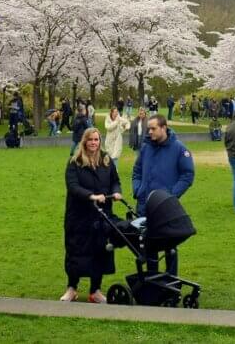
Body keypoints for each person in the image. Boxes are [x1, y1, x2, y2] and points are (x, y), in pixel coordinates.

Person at [61, 127, 122, 303]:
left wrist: (116, 192)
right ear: (84, 141)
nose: (94, 143)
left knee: (100, 251)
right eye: (90, 140)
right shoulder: (75, 162)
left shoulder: (106, 160)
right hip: (79, 216)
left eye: (96, 140)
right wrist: (91, 196)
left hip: (102, 215)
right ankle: (72, 288)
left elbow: (115, 181)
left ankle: (95, 290)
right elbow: (72, 186)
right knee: (76, 252)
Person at [132, 114, 195, 275]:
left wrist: (171, 196)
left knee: (169, 245)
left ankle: (171, 281)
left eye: (153, 128)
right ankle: (152, 280)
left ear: (163, 128)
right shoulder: (146, 147)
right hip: (144, 204)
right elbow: (137, 170)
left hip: (165, 208)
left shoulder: (179, 149)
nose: (150, 132)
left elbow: (187, 174)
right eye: (148, 129)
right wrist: (138, 189)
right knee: (148, 243)